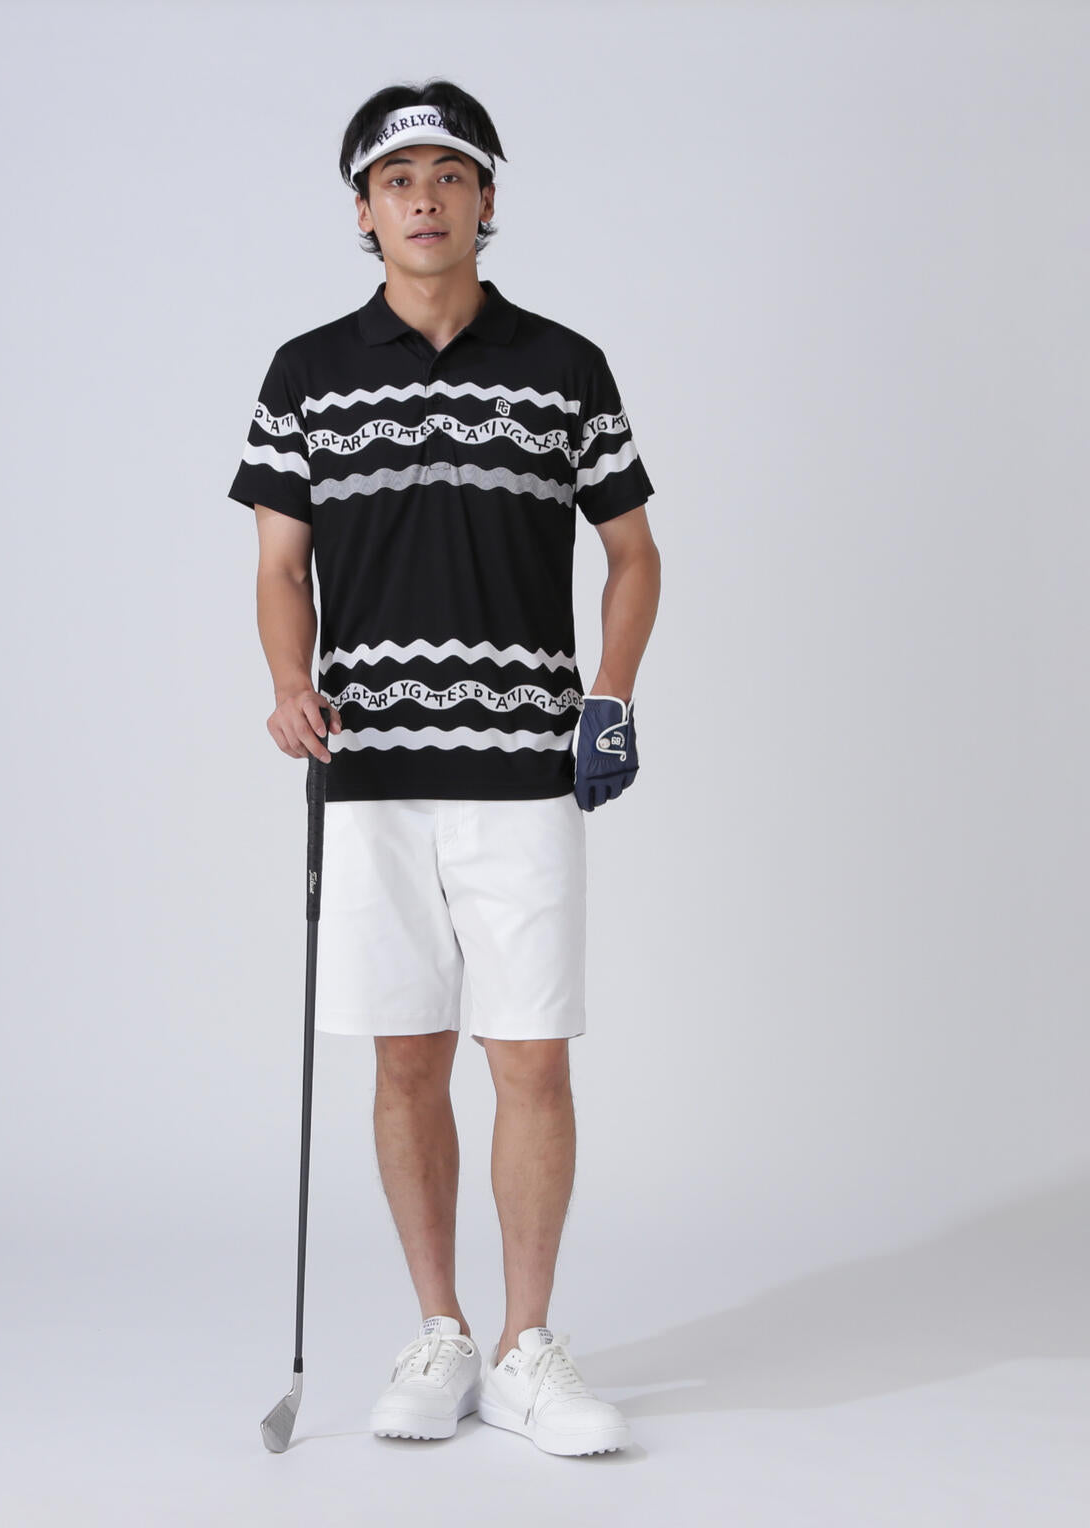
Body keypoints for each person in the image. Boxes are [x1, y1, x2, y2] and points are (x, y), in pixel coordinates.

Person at [228, 79, 661, 1457]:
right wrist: (288, 683)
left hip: (527, 771)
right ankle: (443, 1331)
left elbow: (633, 552)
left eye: (450, 175)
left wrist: (610, 699)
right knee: (407, 1060)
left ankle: (530, 1347)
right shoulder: (306, 373)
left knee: (531, 1059)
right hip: (370, 774)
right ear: (364, 212)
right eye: (397, 178)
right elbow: (280, 566)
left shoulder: (566, 365)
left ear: (486, 200)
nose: (425, 197)